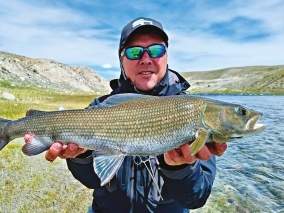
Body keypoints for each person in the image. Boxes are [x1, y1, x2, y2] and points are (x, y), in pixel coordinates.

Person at [25, 17, 227, 213]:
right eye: (134, 52)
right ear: (121, 59)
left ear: (166, 56)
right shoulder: (99, 108)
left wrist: (180, 169)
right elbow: (91, 181)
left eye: (156, 50)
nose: (146, 59)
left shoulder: (191, 110)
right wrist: (82, 156)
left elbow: (196, 198)